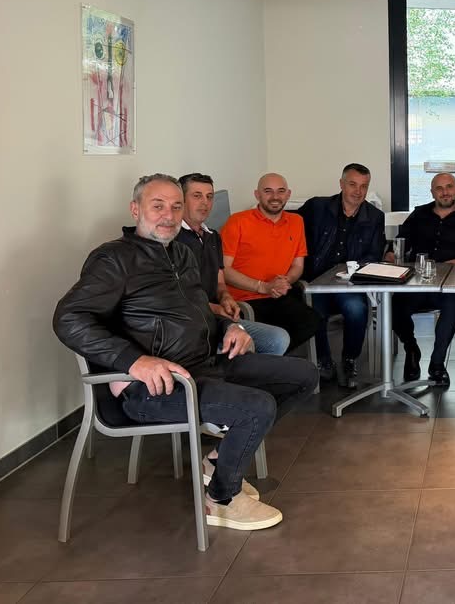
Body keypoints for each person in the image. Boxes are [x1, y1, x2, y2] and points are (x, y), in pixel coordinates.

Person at [54, 174, 318, 531]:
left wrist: (231, 328)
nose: (169, 215)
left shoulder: (181, 253)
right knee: (256, 406)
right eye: (158, 206)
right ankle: (222, 500)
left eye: (176, 207)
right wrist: (135, 361)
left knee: (302, 375)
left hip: (204, 364)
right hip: (157, 387)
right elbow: (69, 318)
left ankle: (218, 460)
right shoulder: (114, 259)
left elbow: (199, 311)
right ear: (136, 210)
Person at [176, 173, 289, 355]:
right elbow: (178, 296)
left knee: (277, 338)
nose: (205, 203)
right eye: (197, 196)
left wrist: (226, 297)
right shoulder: (172, 239)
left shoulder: (212, 236)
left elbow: (220, 282)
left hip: (219, 318)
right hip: (190, 322)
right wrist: (215, 309)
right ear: (180, 200)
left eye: (209, 196)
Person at [297, 163, 385, 387]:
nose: (358, 191)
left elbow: (374, 254)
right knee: (314, 312)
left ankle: (349, 359)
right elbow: (291, 232)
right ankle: (323, 360)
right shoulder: (317, 207)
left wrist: (352, 271)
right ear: (341, 184)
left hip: (349, 283)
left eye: (364, 186)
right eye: (353, 184)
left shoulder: (374, 216)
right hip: (315, 281)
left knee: (356, 310)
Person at [392, 172, 455, 386]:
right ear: (432, 192)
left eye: (449, 187)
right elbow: (400, 243)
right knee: (393, 305)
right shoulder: (419, 214)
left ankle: (437, 363)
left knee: (452, 307)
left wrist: (444, 265)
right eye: (439, 188)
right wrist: (390, 256)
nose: (445, 192)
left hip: (451, 283)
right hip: (418, 281)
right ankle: (411, 349)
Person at [220, 173, 321, 354]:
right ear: (257, 195)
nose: (275, 197)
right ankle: (270, 361)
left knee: (312, 320)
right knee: (278, 332)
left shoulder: (296, 222)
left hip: (277, 297)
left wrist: (285, 282)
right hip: (244, 301)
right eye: (268, 191)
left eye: (281, 191)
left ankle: (269, 360)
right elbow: (224, 269)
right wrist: (262, 286)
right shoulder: (238, 221)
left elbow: (298, 266)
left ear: (288, 194)